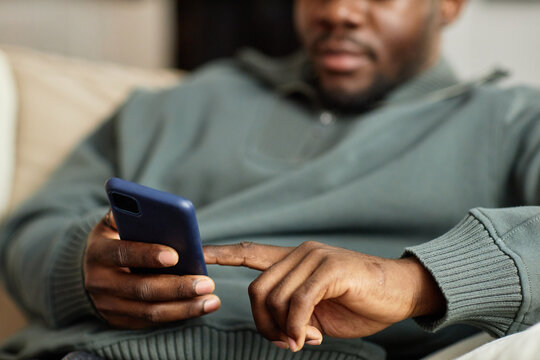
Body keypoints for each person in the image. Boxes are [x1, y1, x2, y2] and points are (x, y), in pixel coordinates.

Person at [1, 0, 539, 359]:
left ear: (449, 5)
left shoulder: (513, 121)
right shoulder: (185, 101)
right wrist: (79, 272)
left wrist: (409, 282)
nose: (338, 11)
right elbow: (30, 228)